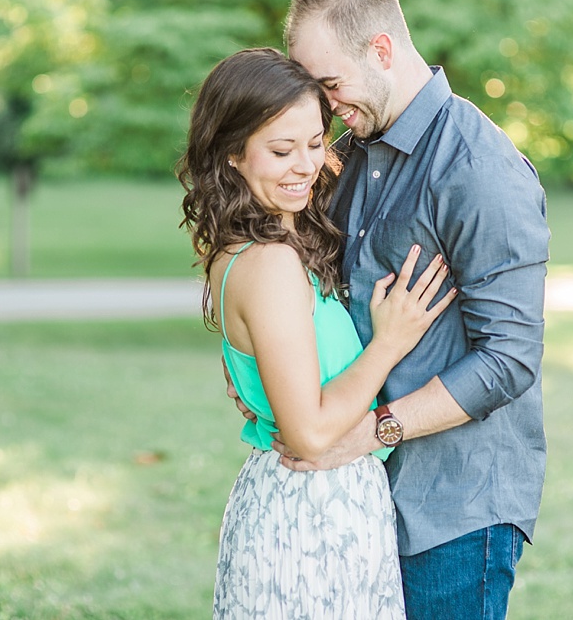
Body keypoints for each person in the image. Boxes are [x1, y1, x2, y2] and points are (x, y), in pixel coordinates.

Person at [230, 0, 551, 619]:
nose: (322, 105)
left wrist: (372, 430)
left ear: (381, 51)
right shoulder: (346, 156)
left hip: (454, 508)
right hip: (357, 498)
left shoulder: (479, 171)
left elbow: (511, 358)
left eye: (329, 84)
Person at [177, 47, 458, 618]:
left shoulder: (258, 250)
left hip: (326, 508)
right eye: (281, 150)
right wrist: (389, 343)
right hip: (308, 516)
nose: (305, 165)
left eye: (314, 142)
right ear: (233, 155)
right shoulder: (270, 263)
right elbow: (307, 435)